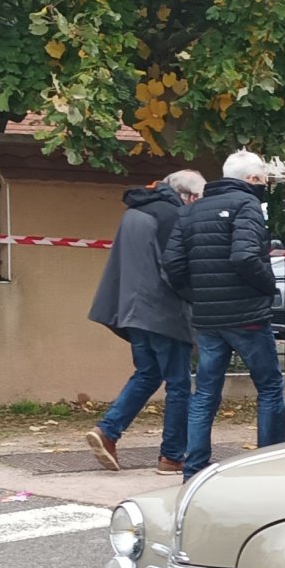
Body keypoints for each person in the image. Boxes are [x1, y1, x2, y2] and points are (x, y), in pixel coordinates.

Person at [163, 149, 285, 481]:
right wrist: (268, 285)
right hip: (247, 314)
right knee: (270, 387)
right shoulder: (248, 205)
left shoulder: (191, 210)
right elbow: (246, 256)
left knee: (205, 392)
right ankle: (271, 463)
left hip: (208, 319)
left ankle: (193, 467)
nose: (264, 185)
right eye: (263, 179)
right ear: (252, 180)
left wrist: (197, 294)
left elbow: (173, 264)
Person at [85, 170, 205, 474]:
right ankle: (172, 456)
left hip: (132, 309)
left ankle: (108, 431)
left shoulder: (135, 212)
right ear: (188, 196)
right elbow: (175, 268)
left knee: (148, 373)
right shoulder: (171, 216)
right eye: (198, 199)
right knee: (178, 384)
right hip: (164, 311)